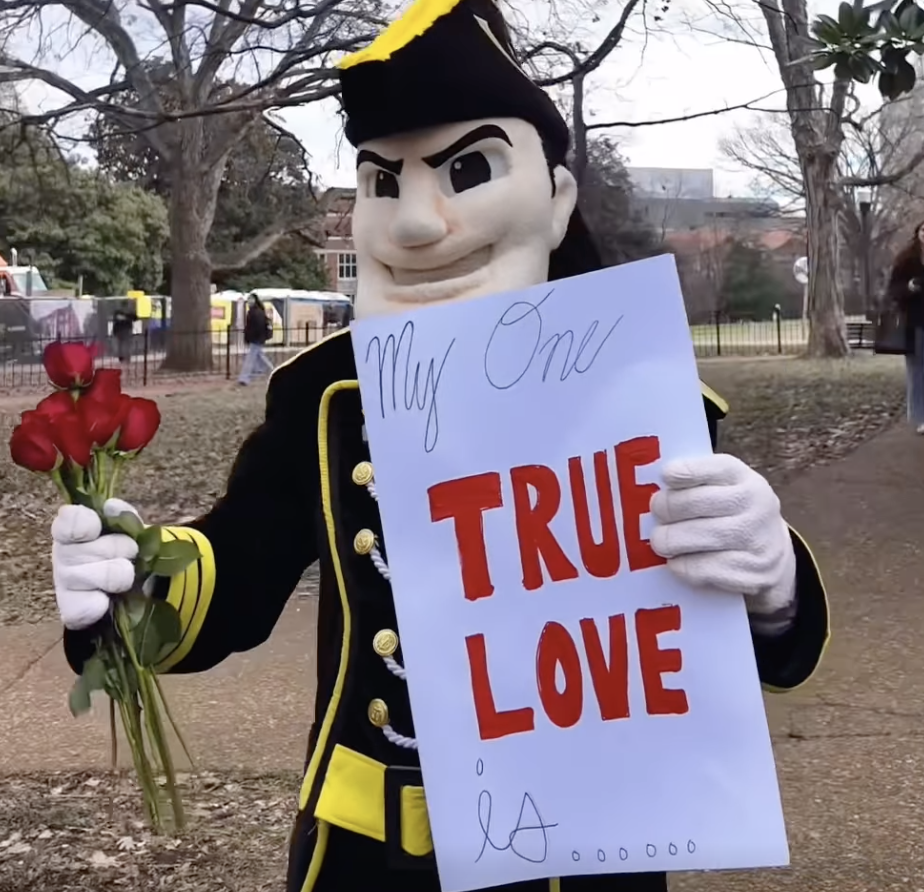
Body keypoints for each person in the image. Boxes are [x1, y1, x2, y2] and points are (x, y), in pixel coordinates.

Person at [48, 1, 829, 890]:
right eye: (384, 182)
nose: (417, 224)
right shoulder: (323, 395)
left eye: (465, 170)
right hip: (366, 857)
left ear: (558, 197)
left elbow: (706, 627)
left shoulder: (640, 397)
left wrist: (772, 584)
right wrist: (134, 578)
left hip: (586, 848)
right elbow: (243, 560)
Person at [886, 222, 924, 433]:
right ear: (918, 233)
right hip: (915, 321)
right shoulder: (907, 260)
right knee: (917, 371)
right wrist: (909, 287)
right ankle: (921, 417)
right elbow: (893, 290)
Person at [238, 294, 274, 385]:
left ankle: (244, 378)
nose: (249, 301)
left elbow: (255, 327)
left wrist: (250, 337)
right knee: (259, 356)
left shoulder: (255, 312)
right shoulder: (256, 311)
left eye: (251, 299)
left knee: (250, 358)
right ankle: (271, 371)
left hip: (256, 338)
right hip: (258, 338)